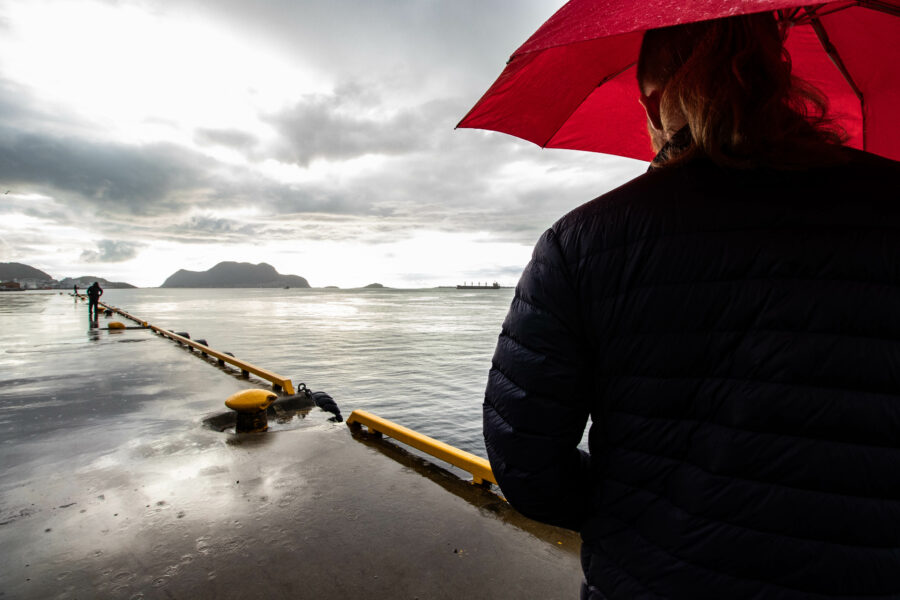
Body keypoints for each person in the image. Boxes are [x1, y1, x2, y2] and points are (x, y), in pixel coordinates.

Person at [483, 13, 900, 599]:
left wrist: (634, 512)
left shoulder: (582, 242)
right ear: (778, 76)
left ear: (653, 106)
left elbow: (525, 459)